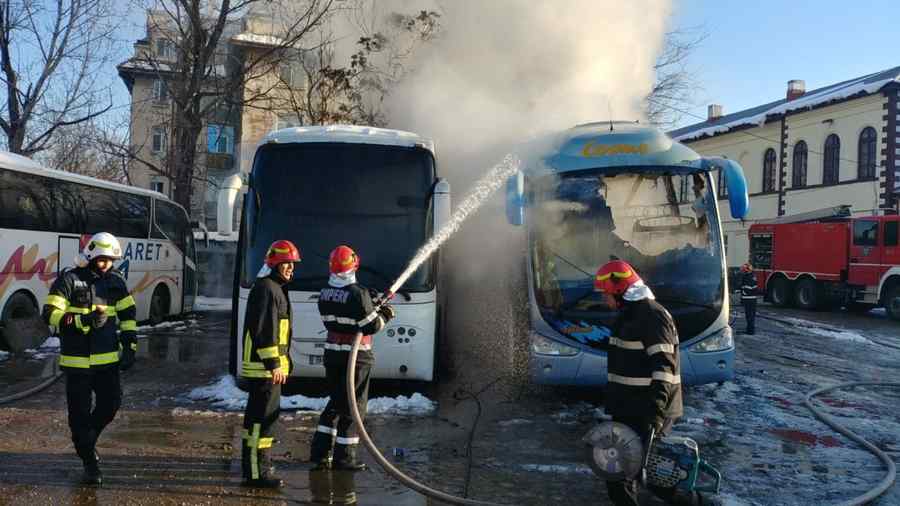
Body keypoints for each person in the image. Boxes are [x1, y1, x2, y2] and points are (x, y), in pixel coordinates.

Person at [594, 260, 713, 506]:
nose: (603, 300)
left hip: (647, 410)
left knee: (624, 475)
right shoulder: (629, 315)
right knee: (648, 477)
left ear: (620, 291)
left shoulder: (652, 316)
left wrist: (655, 414)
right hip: (628, 409)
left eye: (606, 294)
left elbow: (664, 370)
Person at [42, 232, 137, 486]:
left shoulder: (116, 282)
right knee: (79, 417)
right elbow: (49, 314)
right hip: (78, 364)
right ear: (91, 256)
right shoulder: (69, 279)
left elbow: (128, 316)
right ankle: (90, 463)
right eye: (102, 259)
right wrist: (82, 320)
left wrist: (130, 347)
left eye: (110, 260)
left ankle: (86, 441)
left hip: (107, 363)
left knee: (111, 404)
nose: (106, 264)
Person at [309, 245, 395, 471]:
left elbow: (347, 314)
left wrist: (371, 304)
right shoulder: (358, 294)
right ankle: (345, 457)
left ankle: (320, 452)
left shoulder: (325, 292)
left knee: (336, 403)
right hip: (356, 358)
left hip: (332, 355)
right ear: (354, 264)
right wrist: (386, 314)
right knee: (354, 406)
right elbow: (370, 326)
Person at [239, 240, 301, 488]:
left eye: (293, 264)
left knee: (260, 421)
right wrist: (274, 363)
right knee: (261, 423)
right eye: (287, 264)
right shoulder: (267, 289)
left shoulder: (274, 287)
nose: (291, 268)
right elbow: (265, 330)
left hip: (267, 368)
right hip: (264, 369)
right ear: (275, 264)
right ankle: (258, 473)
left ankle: (256, 468)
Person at [738, 263, 758, 335]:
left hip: (748, 299)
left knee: (749, 315)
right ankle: (750, 329)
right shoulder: (753, 276)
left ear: (747, 270)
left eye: (743, 270)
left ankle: (750, 331)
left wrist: (742, 291)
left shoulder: (747, 277)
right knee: (751, 315)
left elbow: (747, 288)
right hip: (753, 299)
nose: (742, 271)